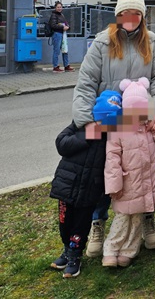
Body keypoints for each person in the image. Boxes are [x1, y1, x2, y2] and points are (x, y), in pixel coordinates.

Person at [73, 0, 155, 254]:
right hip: (108, 121)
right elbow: (86, 83)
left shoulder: (152, 43)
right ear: (118, 15)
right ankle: (98, 222)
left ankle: (147, 219)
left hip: (141, 124)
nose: (130, 19)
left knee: (145, 170)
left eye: (136, 14)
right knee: (106, 173)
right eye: (125, 13)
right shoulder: (102, 43)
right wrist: (87, 121)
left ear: (142, 16)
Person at [101, 77, 155, 267]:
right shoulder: (118, 129)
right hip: (127, 182)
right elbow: (112, 158)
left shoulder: (149, 127)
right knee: (123, 218)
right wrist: (114, 185)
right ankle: (111, 249)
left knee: (137, 218)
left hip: (145, 182)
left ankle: (129, 250)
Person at [48, 118, 108, 278]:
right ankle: (67, 250)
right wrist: (88, 134)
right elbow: (62, 144)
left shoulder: (110, 132)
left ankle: (75, 255)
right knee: (64, 223)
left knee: (80, 225)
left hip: (90, 188)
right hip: (67, 184)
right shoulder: (80, 124)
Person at [49, 1, 73, 73]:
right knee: (56, 51)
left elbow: (66, 23)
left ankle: (66, 65)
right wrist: (62, 27)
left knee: (65, 50)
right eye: (58, 7)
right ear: (55, 8)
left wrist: (68, 27)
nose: (59, 8)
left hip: (63, 34)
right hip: (57, 34)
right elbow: (53, 25)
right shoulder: (53, 15)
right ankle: (55, 66)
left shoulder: (62, 15)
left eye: (60, 7)